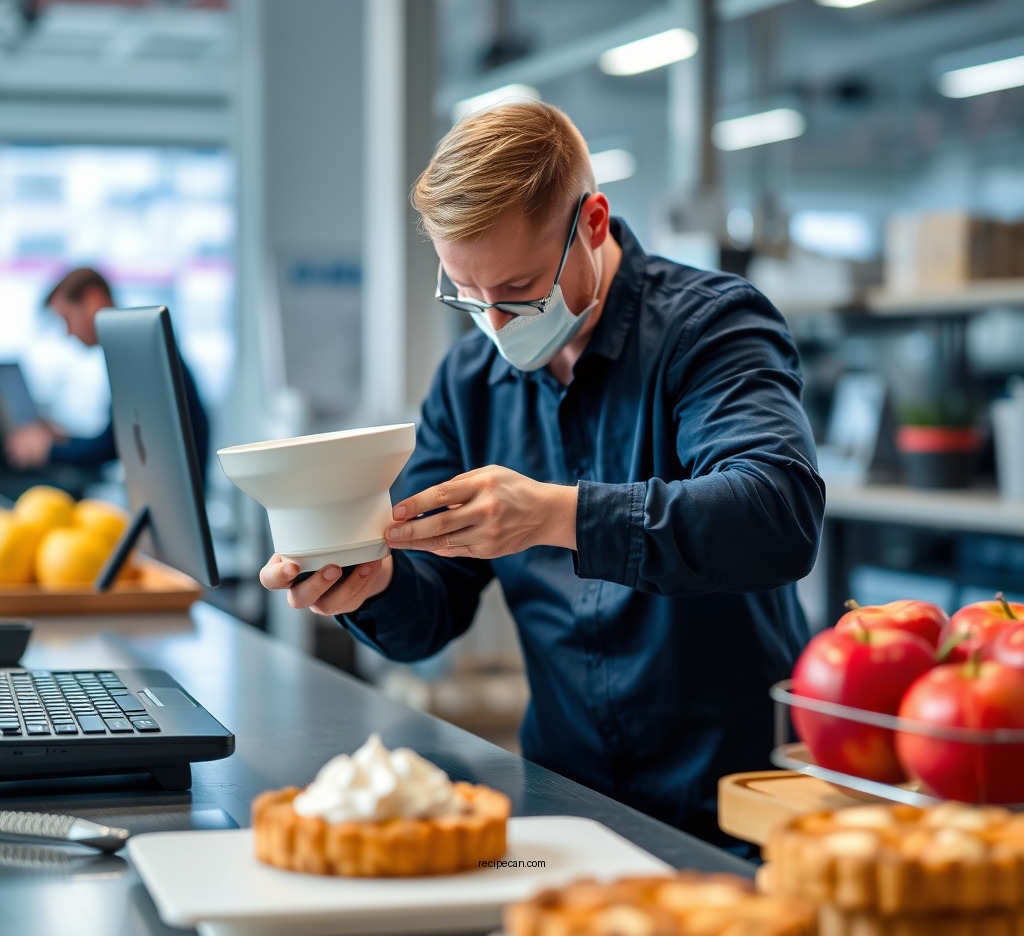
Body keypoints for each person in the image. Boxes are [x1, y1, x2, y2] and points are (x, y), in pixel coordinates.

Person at [259, 102, 825, 852]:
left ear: (593, 222)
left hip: (734, 805)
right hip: (564, 803)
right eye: (468, 296)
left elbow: (777, 514)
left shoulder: (710, 328)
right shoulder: (469, 381)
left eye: (521, 289)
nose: (496, 324)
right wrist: (372, 583)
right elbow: (432, 608)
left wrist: (557, 515)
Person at [2, 267, 210, 499]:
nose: (68, 333)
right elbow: (118, 436)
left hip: (175, 496)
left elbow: (112, 446)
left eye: (67, 319)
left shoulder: (134, 347)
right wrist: (65, 440)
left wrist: (48, 450)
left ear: (92, 299)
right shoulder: (132, 346)